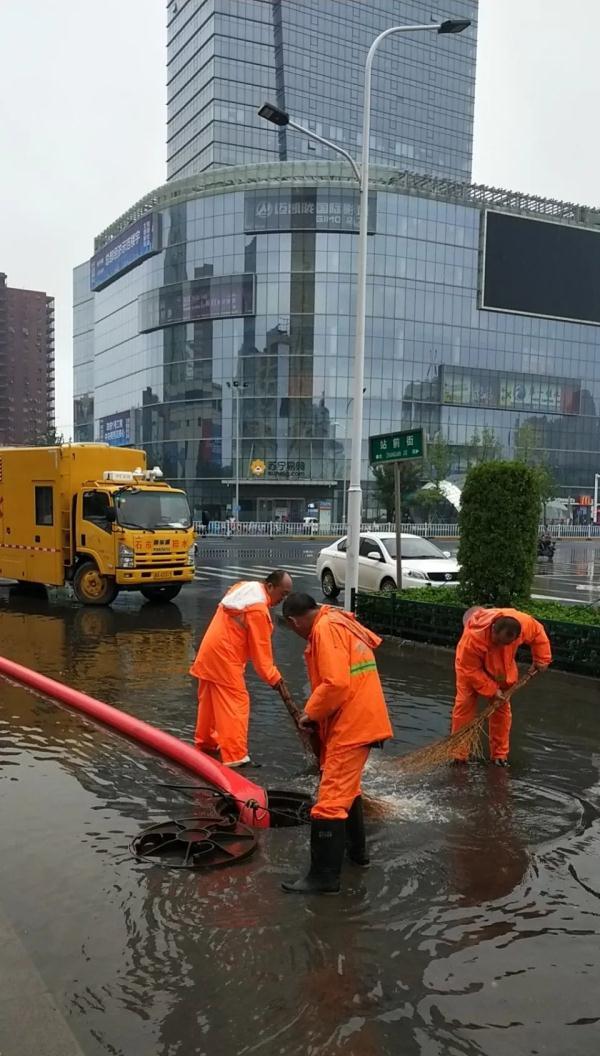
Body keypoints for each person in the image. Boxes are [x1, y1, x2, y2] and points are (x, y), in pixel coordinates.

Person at [280, 593, 393, 895]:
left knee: (329, 801)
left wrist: (310, 714)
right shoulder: (339, 621)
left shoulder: (324, 629)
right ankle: (356, 854)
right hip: (361, 717)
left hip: (352, 724)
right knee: (348, 790)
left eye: (294, 630)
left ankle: (324, 878)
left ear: (294, 621)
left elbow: (336, 683)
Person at [190, 570, 293, 767]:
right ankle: (235, 757)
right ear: (270, 586)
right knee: (237, 702)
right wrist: (275, 679)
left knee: (210, 700)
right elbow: (262, 657)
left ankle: (207, 744)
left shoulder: (243, 588)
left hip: (209, 652)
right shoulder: (258, 610)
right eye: (283, 593)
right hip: (225, 659)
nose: (284, 599)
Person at [451, 606, 552, 766]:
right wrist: (491, 689)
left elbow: (538, 633)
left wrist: (542, 659)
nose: (502, 645)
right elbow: (469, 669)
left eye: (508, 643)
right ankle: (459, 754)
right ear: (493, 630)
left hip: (501, 671)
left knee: (502, 711)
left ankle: (499, 755)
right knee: (464, 707)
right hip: (469, 672)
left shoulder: (523, 623)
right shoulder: (472, 639)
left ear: (517, 637)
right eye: (499, 641)